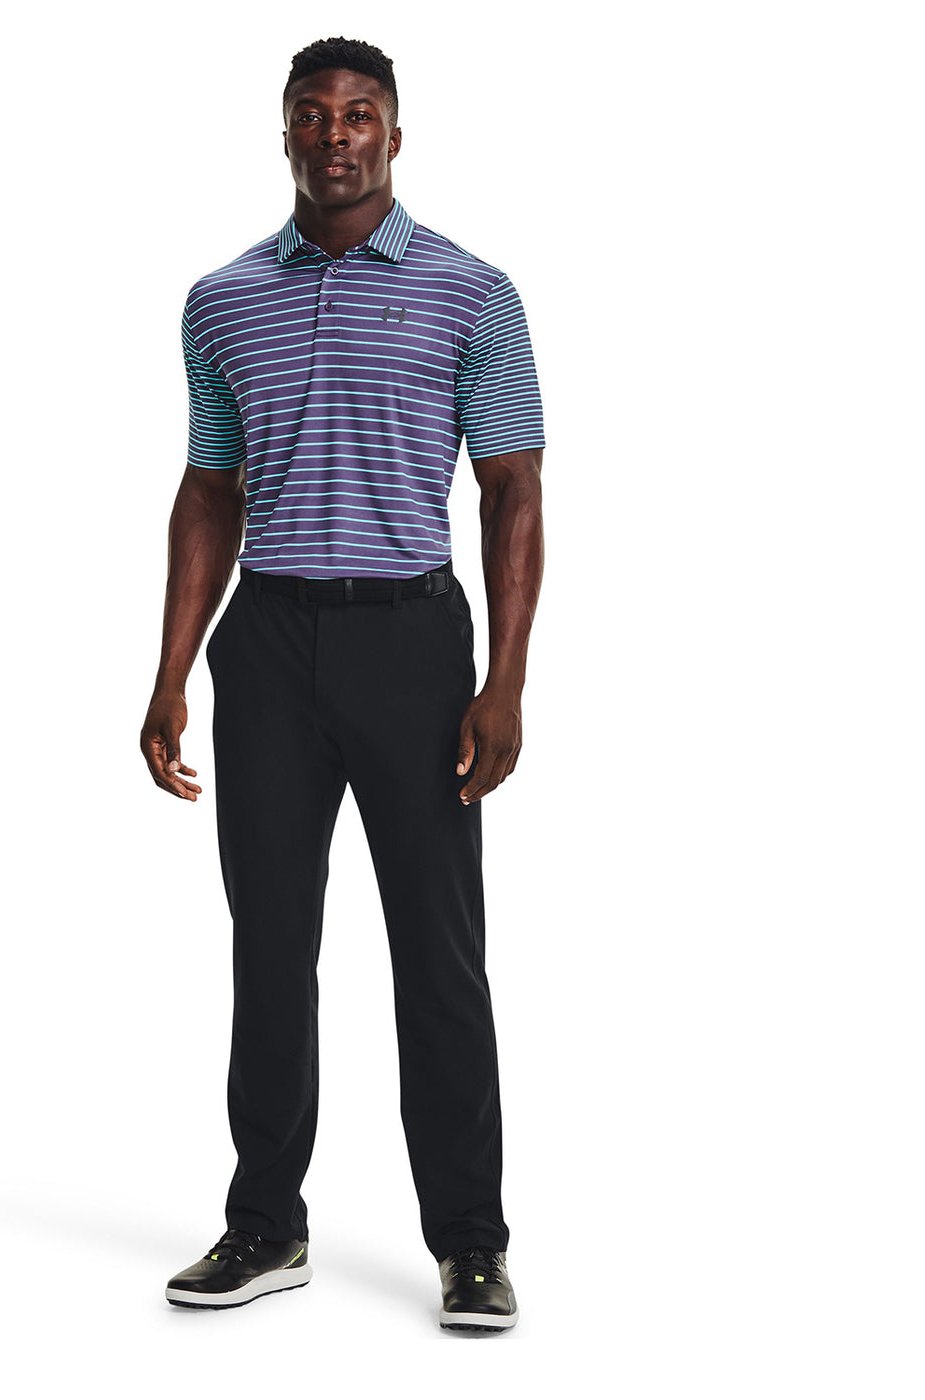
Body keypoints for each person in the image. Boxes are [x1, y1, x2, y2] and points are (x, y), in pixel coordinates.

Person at [140, 35, 545, 1333]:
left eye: (359, 113)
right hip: (267, 645)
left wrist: (505, 683)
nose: (335, 134)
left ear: (395, 135)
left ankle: (471, 1242)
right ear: (285, 137)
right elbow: (210, 488)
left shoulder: (472, 293)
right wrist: (170, 672)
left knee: (439, 952)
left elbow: (513, 490)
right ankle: (266, 1224)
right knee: (271, 945)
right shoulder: (220, 301)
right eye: (312, 115)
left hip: (414, 646)